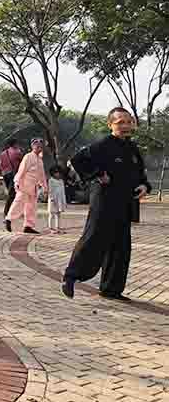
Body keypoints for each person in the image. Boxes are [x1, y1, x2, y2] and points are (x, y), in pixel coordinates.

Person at [61, 108, 150, 301]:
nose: (125, 126)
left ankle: (111, 289)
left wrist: (144, 186)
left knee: (121, 247)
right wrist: (98, 174)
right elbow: (77, 161)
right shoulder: (102, 145)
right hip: (104, 201)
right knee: (94, 238)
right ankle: (71, 276)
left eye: (128, 122)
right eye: (120, 122)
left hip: (125, 203)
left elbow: (140, 173)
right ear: (110, 125)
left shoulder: (132, 148)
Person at [4, 138, 47, 234]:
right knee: (18, 203)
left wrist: (44, 186)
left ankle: (28, 226)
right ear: (32, 146)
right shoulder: (28, 157)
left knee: (31, 207)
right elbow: (21, 170)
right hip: (24, 184)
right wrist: (17, 182)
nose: (38, 147)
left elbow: (42, 174)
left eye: (40, 146)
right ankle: (8, 219)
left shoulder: (39, 159)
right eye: (36, 145)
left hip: (34, 186)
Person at [0, 138, 24, 218]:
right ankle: (7, 212)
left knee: (12, 193)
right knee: (12, 194)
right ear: (15, 144)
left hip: (5, 175)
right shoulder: (17, 152)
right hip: (14, 175)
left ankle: (12, 211)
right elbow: (23, 163)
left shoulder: (3, 153)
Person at [48, 166, 67, 234]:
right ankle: (51, 228)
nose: (58, 174)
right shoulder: (51, 180)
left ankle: (58, 227)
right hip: (53, 199)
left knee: (58, 214)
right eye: (56, 172)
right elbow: (50, 190)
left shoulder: (61, 181)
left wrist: (64, 201)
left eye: (59, 172)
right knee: (52, 214)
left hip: (60, 199)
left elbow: (63, 191)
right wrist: (51, 198)